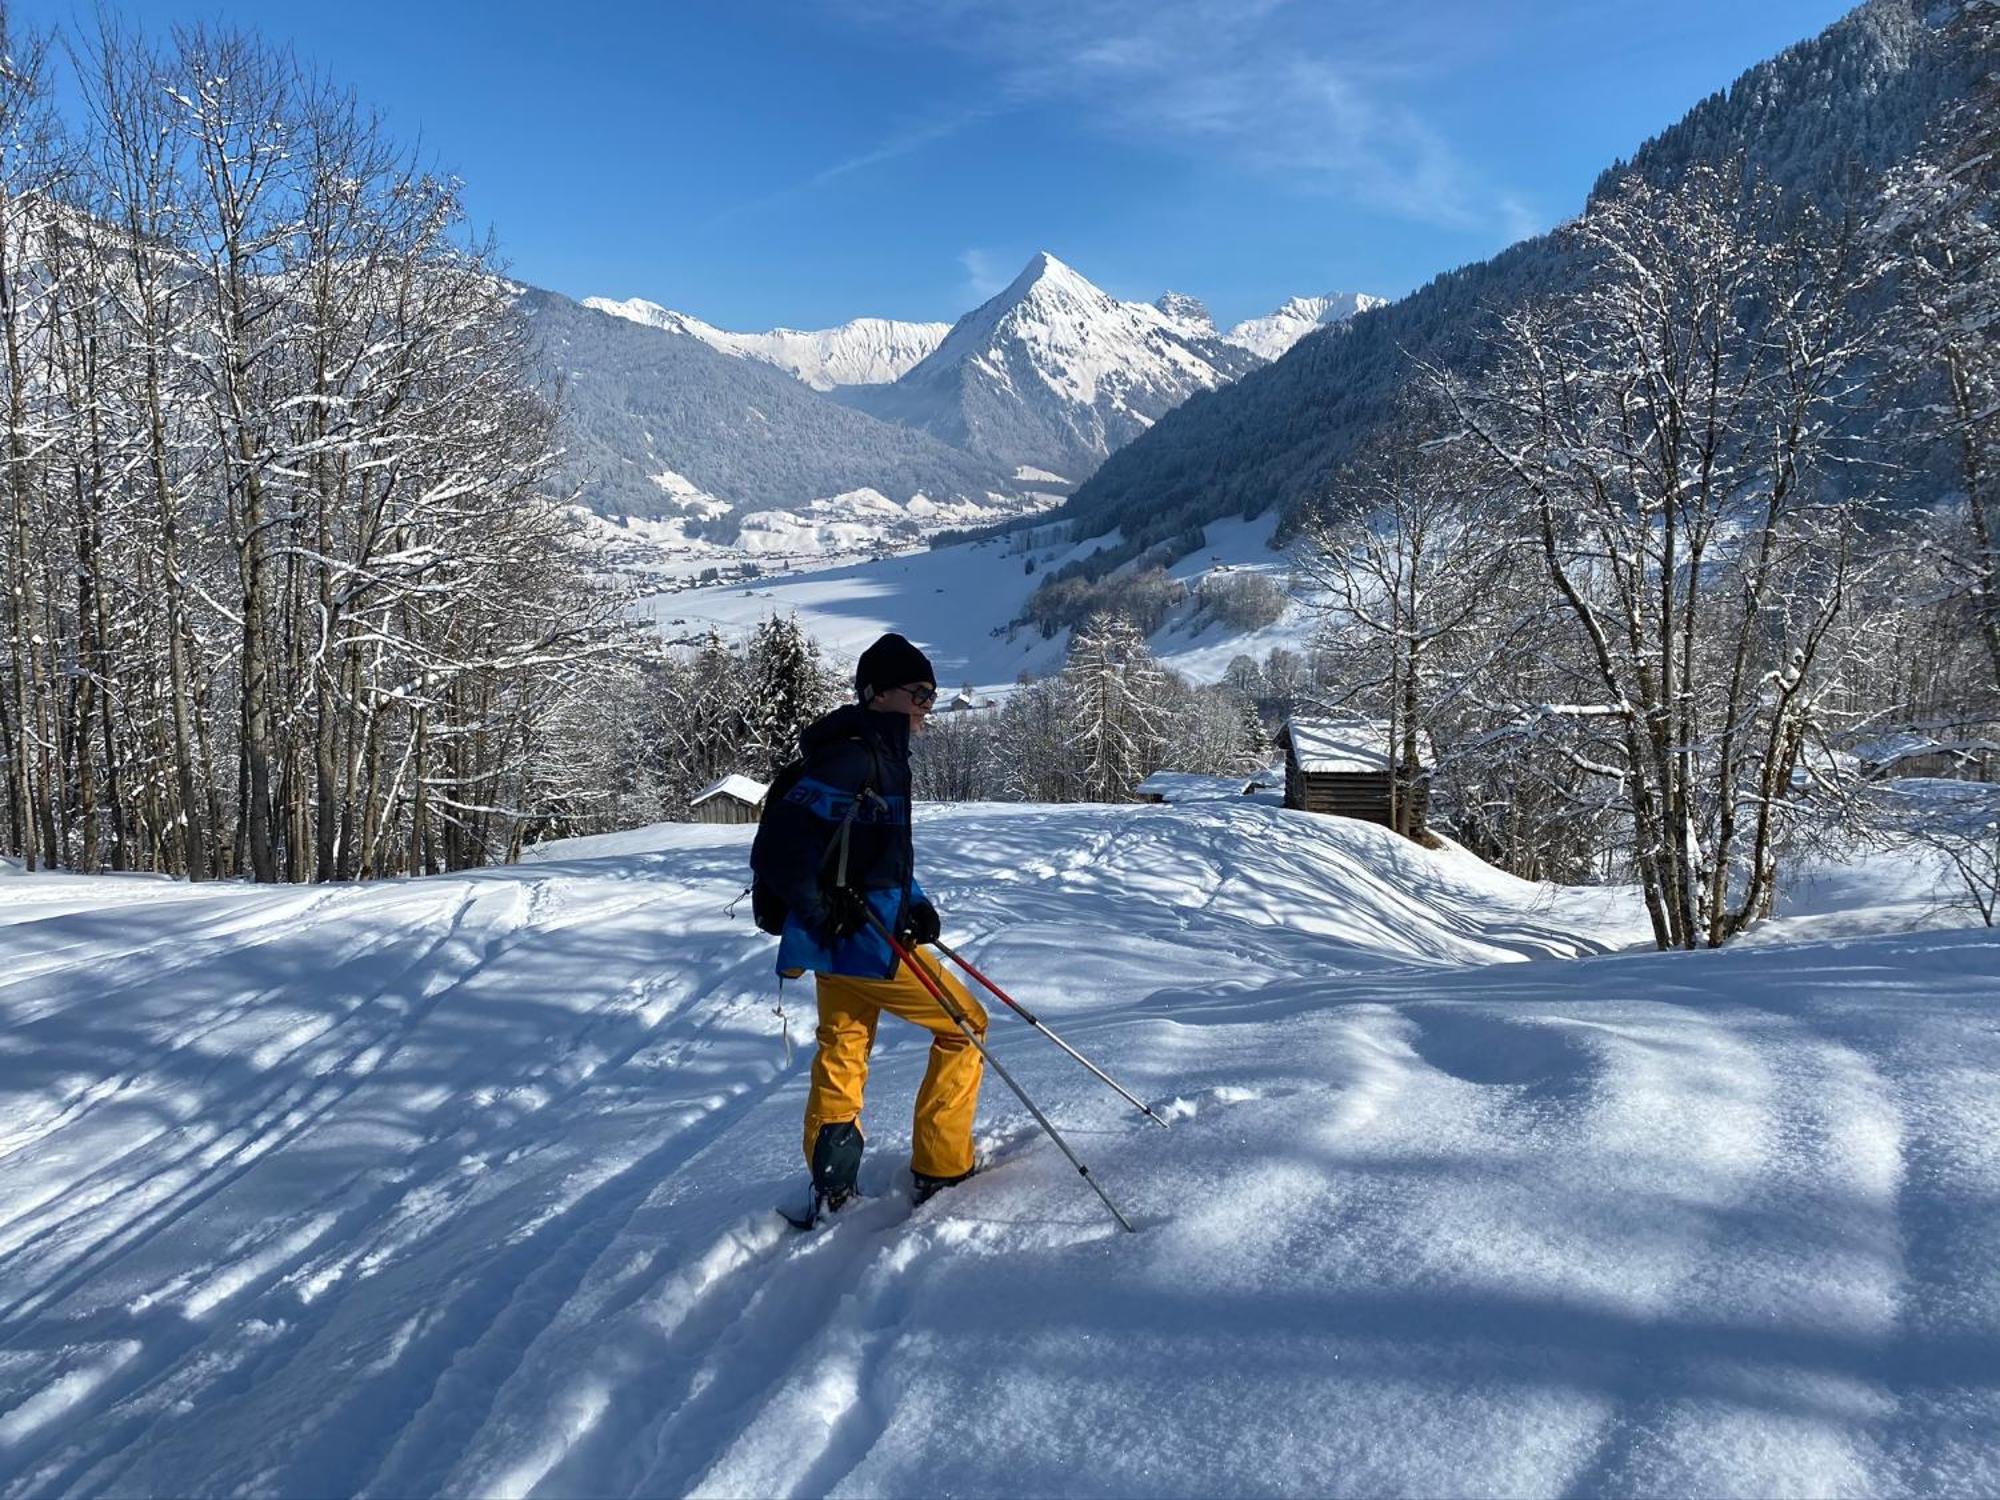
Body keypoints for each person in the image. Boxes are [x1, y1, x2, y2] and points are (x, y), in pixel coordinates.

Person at [751, 631, 987, 1216]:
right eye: (919, 694)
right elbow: (781, 851)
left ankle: (832, 1185)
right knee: (965, 1027)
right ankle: (941, 1165)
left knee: (844, 1047)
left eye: (931, 694)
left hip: (839, 943)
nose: (927, 707)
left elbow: (875, 855)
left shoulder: (877, 757)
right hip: (862, 941)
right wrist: (822, 911)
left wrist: (916, 900)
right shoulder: (856, 758)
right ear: (878, 694)